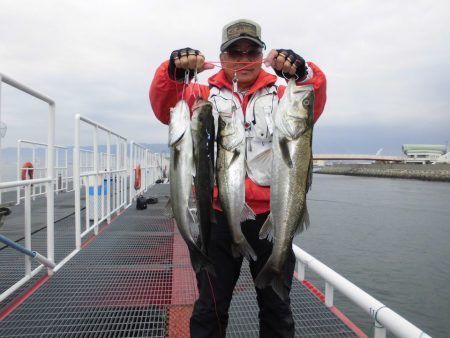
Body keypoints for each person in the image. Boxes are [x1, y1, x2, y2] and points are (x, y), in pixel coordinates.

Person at [150, 18, 327, 338]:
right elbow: (165, 105)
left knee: (277, 309)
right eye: (235, 52)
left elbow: (313, 96)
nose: (243, 59)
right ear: (223, 55)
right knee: (210, 308)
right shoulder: (201, 93)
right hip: (215, 218)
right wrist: (172, 70)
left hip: (270, 218)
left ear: (262, 53)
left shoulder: (285, 95)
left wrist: (302, 71)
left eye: (251, 51)